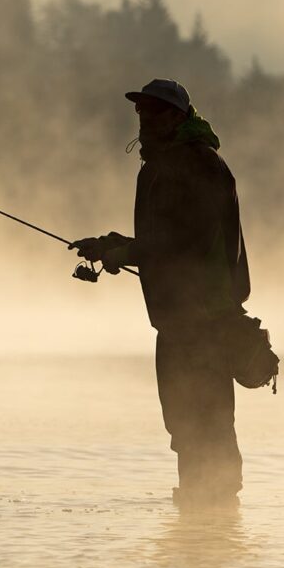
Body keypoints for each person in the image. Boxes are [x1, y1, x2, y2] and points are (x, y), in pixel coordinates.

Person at [71, 78, 251, 509]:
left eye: (154, 111)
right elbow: (162, 238)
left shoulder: (199, 164)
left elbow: (188, 240)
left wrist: (126, 252)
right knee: (184, 419)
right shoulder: (162, 164)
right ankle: (199, 512)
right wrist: (112, 245)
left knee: (207, 419)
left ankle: (216, 507)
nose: (144, 118)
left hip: (205, 315)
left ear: (176, 116)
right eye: (140, 111)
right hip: (175, 317)